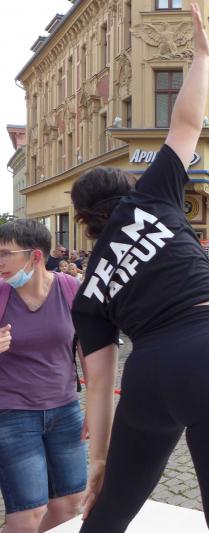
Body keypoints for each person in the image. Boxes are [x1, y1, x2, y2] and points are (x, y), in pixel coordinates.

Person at [69, 7, 209, 531]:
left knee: (109, 514)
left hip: (150, 375)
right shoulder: (152, 197)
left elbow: (99, 383)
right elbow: (186, 123)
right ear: (125, 190)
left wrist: (98, 463)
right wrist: (201, 56)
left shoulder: (88, 289)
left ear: (85, 221)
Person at [0, 220, 85, 533]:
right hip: (12, 413)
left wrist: (96, 410)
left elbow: (88, 350)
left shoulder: (70, 288)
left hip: (65, 411)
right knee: (28, 515)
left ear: (35, 256)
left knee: (70, 506)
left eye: (5, 254)